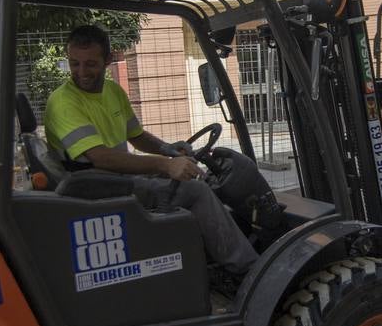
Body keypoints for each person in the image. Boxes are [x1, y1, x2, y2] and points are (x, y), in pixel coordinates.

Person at [43, 24, 259, 279]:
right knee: (196, 190)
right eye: (74, 63)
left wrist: (169, 150)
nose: (81, 72)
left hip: (114, 180)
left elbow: (137, 136)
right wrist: (165, 165)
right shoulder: (64, 102)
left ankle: (207, 263)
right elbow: (100, 158)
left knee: (193, 177)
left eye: (90, 64)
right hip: (97, 191)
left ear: (107, 60)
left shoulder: (112, 91)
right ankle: (248, 270)